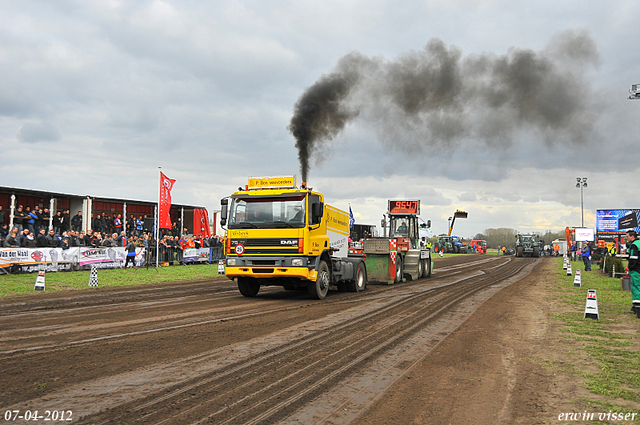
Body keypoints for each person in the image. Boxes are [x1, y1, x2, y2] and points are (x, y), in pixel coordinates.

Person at [625, 230, 640, 317]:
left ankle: (636, 308)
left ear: (632, 236)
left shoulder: (634, 245)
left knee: (636, 288)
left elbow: (633, 258)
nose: (626, 238)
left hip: (636, 270)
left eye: (627, 236)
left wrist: (630, 268)